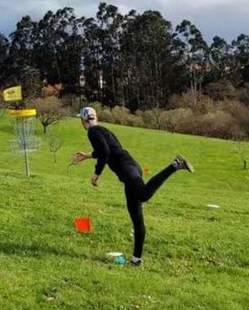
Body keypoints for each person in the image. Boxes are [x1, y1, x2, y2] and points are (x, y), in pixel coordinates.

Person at [72, 106, 193, 267]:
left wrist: (96, 173)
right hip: (131, 166)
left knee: (143, 195)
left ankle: (175, 165)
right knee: (136, 217)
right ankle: (136, 260)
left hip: (127, 169)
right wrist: (88, 155)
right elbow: (107, 150)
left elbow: (106, 152)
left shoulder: (92, 132)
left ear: (83, 120)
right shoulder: (102, 130)